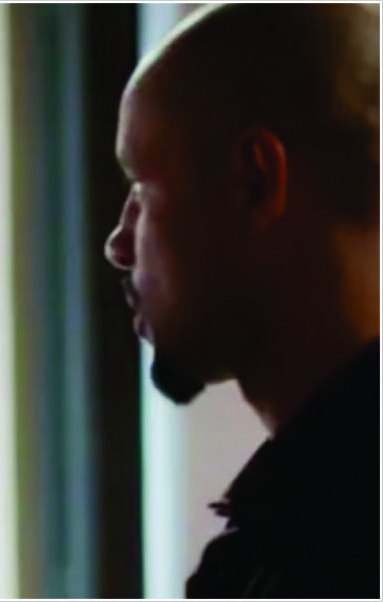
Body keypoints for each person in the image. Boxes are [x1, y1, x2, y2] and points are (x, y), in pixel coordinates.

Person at [105, 3, 379, 598]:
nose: (118, 246)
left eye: (142, 191)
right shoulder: (296, 523)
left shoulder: (340, 545)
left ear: (256, 181)